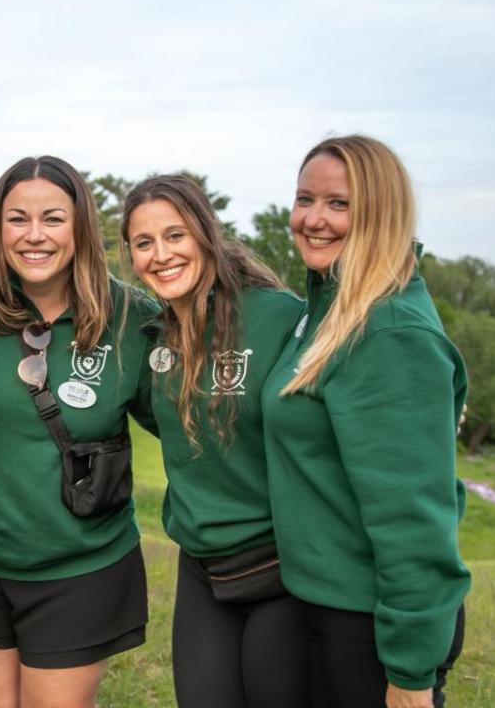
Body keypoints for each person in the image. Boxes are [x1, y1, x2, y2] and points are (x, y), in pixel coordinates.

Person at [262, 135, 470, 708]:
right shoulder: (328, 312)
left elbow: (414, 518)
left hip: (372, 625)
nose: (314, 219)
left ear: (382, 214)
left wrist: (408, 674)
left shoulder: (389, 332)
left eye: (339, 204)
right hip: (327, 607)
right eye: (305, 199)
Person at [0, 156, 158, 708]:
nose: (34, 236)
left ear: (81, 226)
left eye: (53, 219)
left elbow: (191, 422)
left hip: (79, 566)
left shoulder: (132, 317)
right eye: (17, 219)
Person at [119, 174, 308, 707]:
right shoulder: (154, 338)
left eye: (175, 235)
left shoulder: (279, 317)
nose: (161, 254)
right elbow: (171, 426)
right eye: (144, 243)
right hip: (202, 570)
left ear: (205, 234)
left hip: (282, 572)